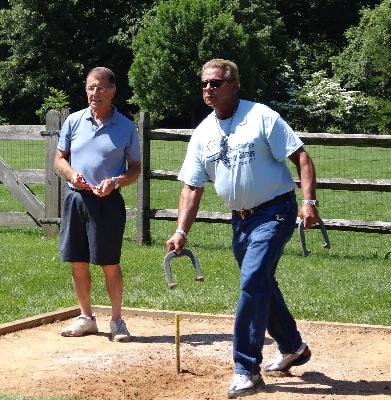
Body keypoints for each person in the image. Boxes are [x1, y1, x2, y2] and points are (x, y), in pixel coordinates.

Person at [166, 59, 318, 398]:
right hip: (241, 221)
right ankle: (292, 346)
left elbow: (301, 157)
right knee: (260, 283)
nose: (209, 89)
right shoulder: (203, 132)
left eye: (216, 83)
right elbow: (192, 187)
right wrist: (181, 231)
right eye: (205, 83)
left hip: (275, 212)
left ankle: (246, 368)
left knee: (252, 280)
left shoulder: (261, 116)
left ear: (234, 86)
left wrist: (309, 202)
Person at [55, 67, 141, 342]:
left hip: (107, 203)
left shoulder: (126, 127)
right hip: (76, 199)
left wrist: (116, 181)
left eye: (101, 88)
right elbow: (59, 159)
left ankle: (117, 321)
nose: (96, 93)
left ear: (113, 90)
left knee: (109, 263)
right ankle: (86, 317)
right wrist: (71, 175)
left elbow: (136, 168)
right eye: (91, 87)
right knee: (77, 261)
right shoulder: (73, 121)